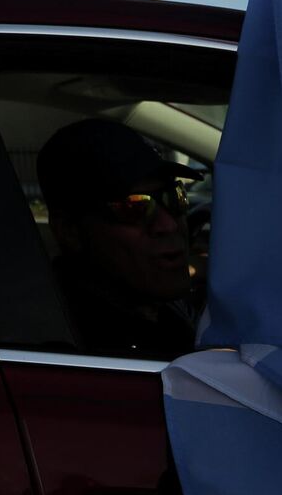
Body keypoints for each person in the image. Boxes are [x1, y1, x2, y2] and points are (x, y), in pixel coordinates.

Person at [36, 117, 202, 360]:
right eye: (133, 207)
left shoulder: (155, 305)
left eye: (174, 197)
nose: (167, 224)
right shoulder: (78, 348)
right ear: (70, 230)